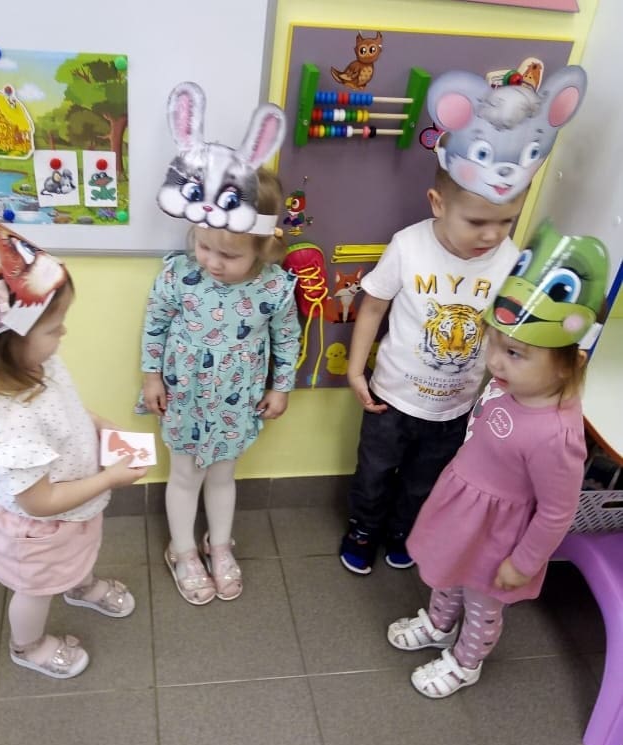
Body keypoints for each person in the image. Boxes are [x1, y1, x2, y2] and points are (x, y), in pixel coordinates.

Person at [339, 64, 587, 575]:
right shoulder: (409, 245)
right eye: (477, 222)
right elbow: (374, 305)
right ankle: (363, 529)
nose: (491, 235)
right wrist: (356, 369)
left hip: (456, 407)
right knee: (374, 472)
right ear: (437, 203)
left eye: (505, 222)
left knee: (426, 480)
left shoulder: (509, 260)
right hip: (391, 397)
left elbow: (513, 333)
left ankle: (404, 531)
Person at [0, 196, 147, 680]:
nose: (63, 333)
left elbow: (63, 407)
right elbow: (40, 501)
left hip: (69, 510)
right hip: (40, 529)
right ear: (7, 338)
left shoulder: (32, 362)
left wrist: (97, 424)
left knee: (76, 554)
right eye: (52, 327)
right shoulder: (10, 420)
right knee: (35, 589)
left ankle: (78, 583)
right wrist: (110, 478)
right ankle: (28, 645)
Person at [386, 220, 608, 699]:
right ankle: (440, 624)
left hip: (498, 534)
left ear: (569, 365)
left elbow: (557, 510)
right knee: (448, 574)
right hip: (465, 509)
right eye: (495, 344)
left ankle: (466, 662)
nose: (496, 361)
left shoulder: (556, 435)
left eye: (515, 353)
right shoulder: (509, 386)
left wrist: (524, 563)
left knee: (482, 602)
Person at [138, 81, 299, 604]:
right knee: (185, 474)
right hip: (184, 396)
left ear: (263, 247)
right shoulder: (178, 274)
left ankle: (220, 544)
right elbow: (156, 323)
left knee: (224, 474)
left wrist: (281, 387)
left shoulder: (274, 287)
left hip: (237, 399)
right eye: (204, 246)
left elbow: (287, 338)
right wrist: (150, 375)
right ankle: (183, 549)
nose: (211, 261)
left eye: (228, 255)